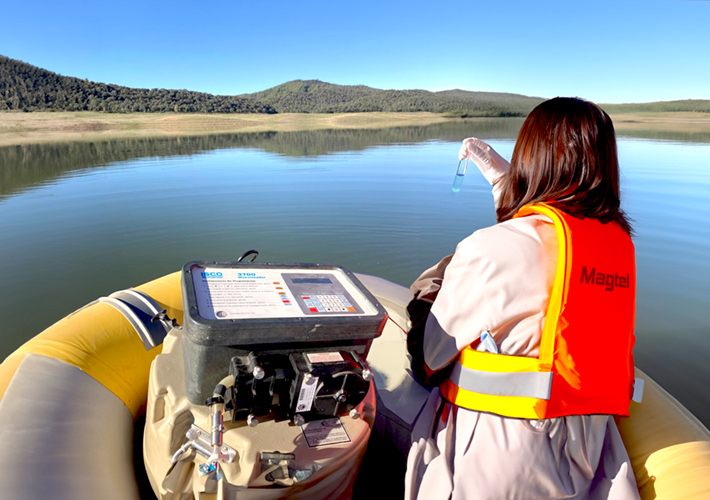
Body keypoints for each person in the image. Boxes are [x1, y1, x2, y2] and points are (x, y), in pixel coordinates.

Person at [404, 97, 641, 500]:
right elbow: (545, 275)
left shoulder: (490, 249)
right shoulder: (619, 248)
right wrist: (511, 198)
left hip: (499, 467)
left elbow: (428, 362)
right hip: (586, 458)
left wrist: (429, 293)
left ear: (531, 159)